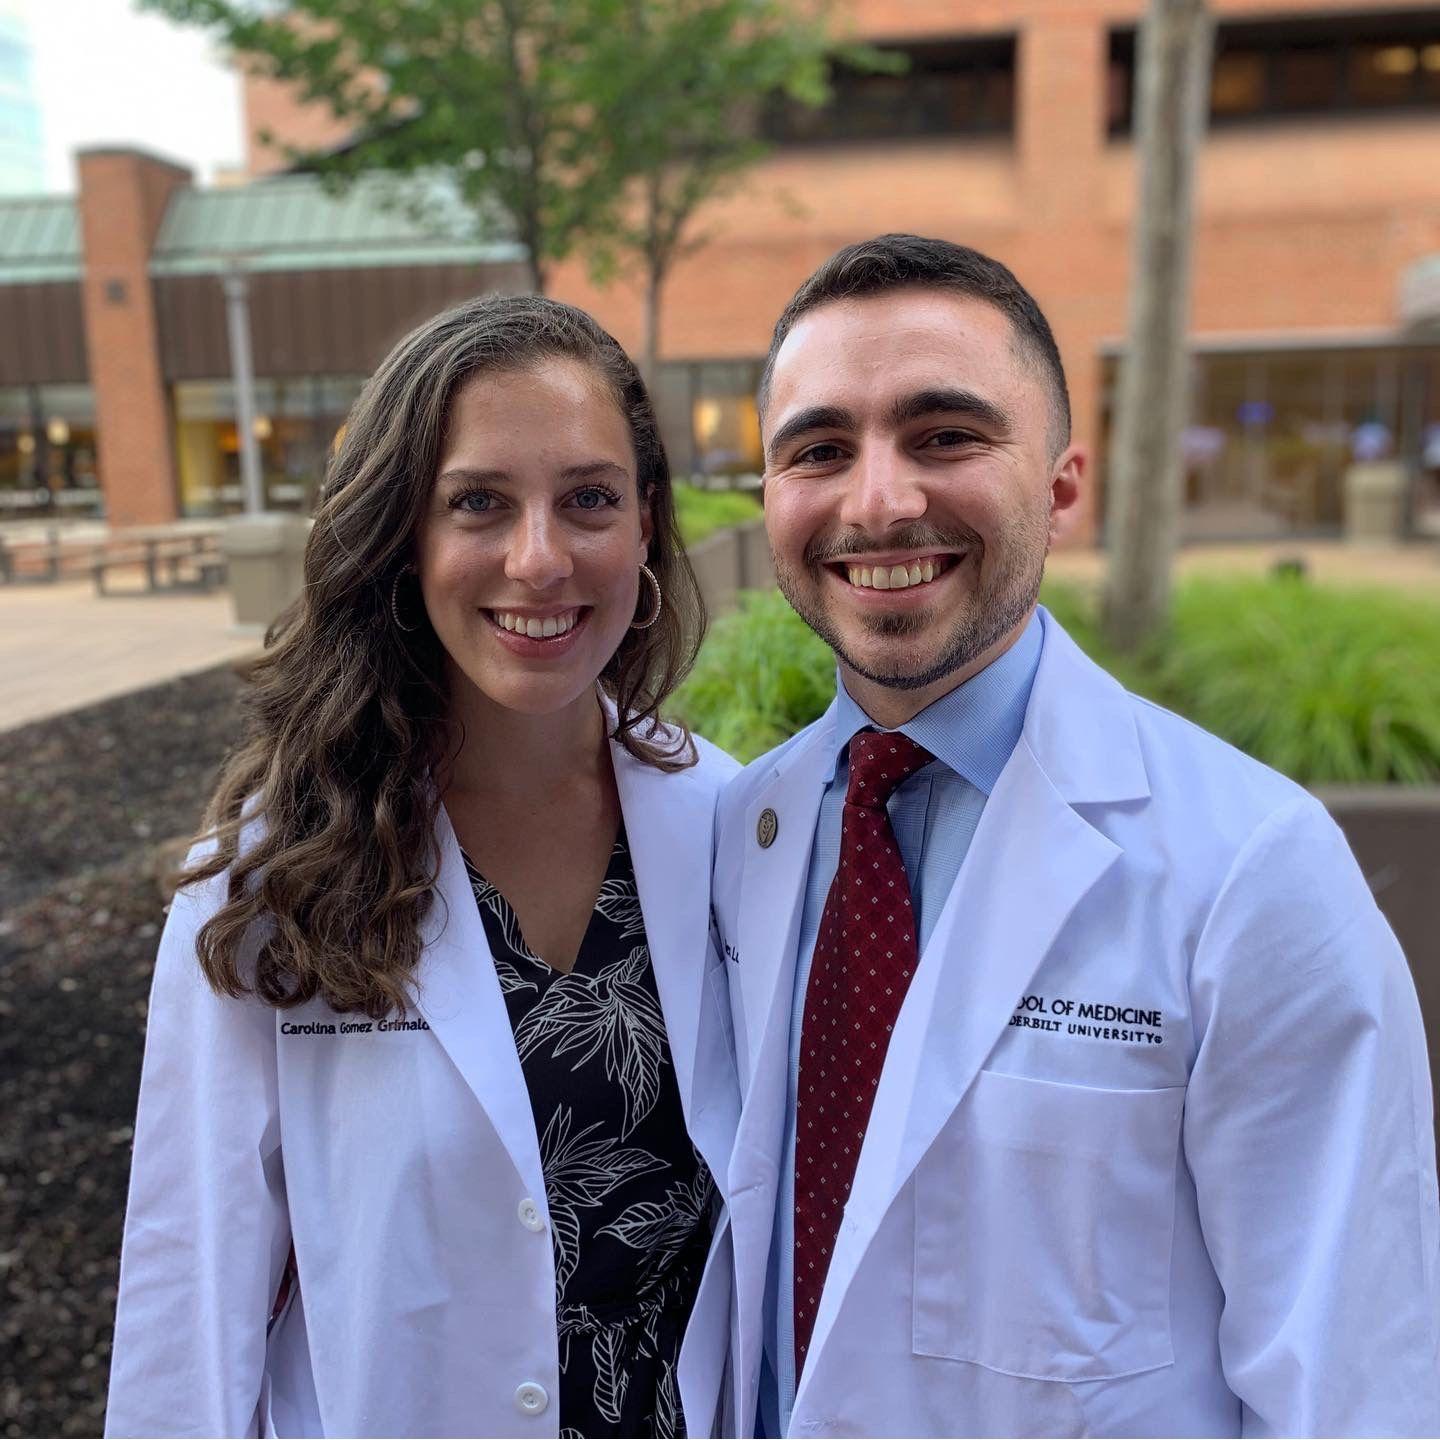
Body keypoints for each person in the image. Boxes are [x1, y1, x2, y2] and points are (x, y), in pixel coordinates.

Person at [710, 234, 1440, 1437]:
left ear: (1060, 484)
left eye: (945, 436)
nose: (879, 499)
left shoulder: (1253, 869)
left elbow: (1353, 1383)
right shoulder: (745, 832)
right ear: (773, 498)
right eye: (820, 450)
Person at [106, 295, 740, 1438]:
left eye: (589, 499)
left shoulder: (740, 829)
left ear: (647, 522)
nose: (539, 559)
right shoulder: (271, 878)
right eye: (478, 503)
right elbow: (188, 1298)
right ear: (405, 532)